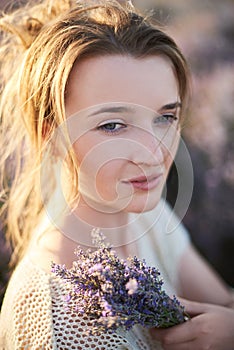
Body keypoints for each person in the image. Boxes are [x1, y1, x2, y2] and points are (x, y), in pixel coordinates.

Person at [0, 0, 233, 349]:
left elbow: (222, 302)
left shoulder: (146, 218)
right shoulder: (52, 317)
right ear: (52, 136)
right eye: (112, 125)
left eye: (165, 118)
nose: (154, 154)